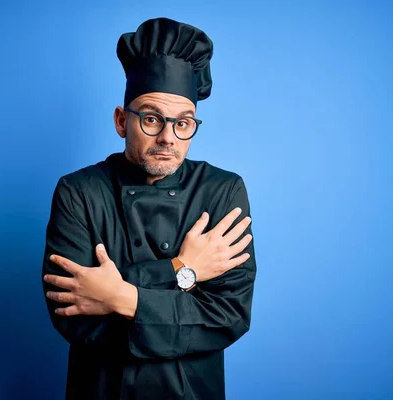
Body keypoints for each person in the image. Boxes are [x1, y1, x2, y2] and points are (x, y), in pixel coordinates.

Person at [41, 17, 257, 400]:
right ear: (122, 121)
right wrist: (183, 270)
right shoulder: (78, 191)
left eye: (184, 123)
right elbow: (73, 320)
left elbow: (228, 317)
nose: (168, 138)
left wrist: (119, 297)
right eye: (152, 118)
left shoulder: (223, 191)